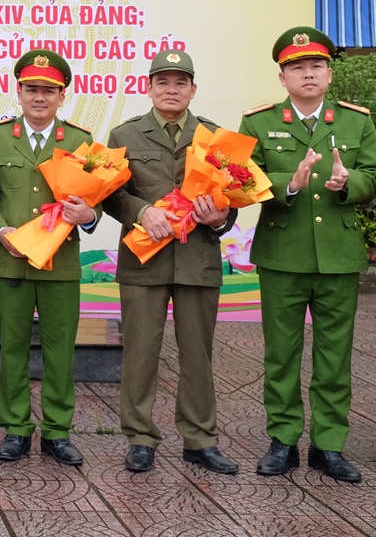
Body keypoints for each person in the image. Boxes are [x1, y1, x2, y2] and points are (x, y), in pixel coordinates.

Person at [238, 27, 376, 483]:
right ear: (282, 77)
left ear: (329, 73)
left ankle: (328, 445)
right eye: (297, 67)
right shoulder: (257, 122)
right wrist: (290, 183)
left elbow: (374, 175)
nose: (308, 74)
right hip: (282, 254)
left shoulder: (355, 121)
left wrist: (348, 183)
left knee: (334, 356)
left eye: (316, 66)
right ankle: (282, 441)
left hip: (338, 255)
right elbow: (243, 177)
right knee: (281, 354)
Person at [102, 49, 238, 475]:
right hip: (144, 259)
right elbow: (110, 193)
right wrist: (142, 212)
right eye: (163, 82)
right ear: (149, 88)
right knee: (140, 352)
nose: (171, 89)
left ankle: (200, 439)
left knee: (198, 355)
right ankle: (140, 438)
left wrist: (220, 218)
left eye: (181, 82)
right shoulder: (125, 135)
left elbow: (233, 197)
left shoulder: (214, 137)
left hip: (197, 258)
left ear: (193, 90)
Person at [0, 51, 96, 466]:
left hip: (60, 262)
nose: (39, 97)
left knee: (59, 350)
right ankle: (16, 428)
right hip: (11, 259)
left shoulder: (79, 141)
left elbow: (95, 197)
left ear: (62, 96)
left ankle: (58, 432)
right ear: (19, 92)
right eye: (31, 89)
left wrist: (89, 215)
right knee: (12, 347)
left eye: (49, 90)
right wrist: (0, 231)